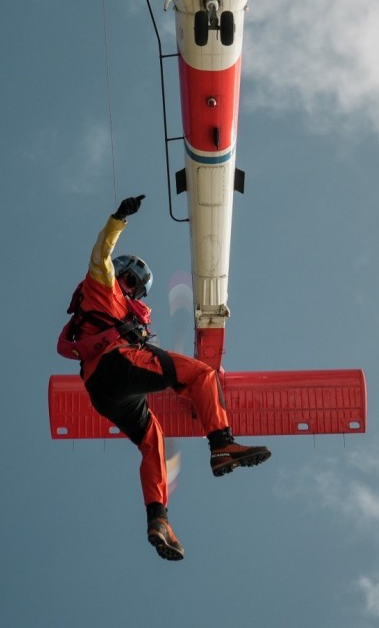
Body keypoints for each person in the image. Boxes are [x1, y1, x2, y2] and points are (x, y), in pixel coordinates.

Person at [60, 193, 271, 561]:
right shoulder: (101, 283)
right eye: (127, 277)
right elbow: (101, 252)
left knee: (152, 440)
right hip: (117, 364)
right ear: (119, 273)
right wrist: (118, 219)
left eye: (135, 285)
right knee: (201, 375)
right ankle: (222, 443)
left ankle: (159, 520)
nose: (128, 285)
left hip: (103, 390)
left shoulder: (128, 314)